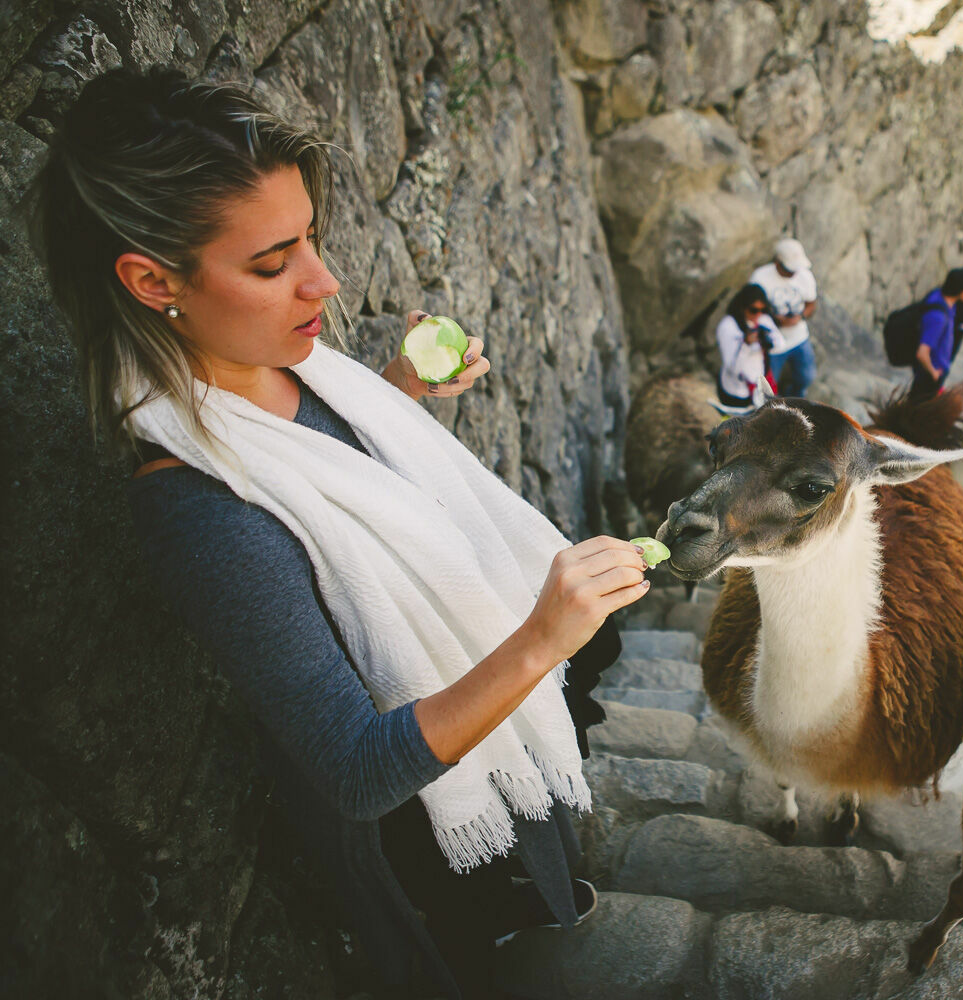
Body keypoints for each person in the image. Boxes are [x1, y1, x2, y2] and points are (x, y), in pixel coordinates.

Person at [29, 68, 652, 999]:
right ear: (154, 279)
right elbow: (359, 771)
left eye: (310, 236)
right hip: (428, 825)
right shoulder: (197, 506)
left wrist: (395, 393)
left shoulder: (283, 367)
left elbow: (331, 498)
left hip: (476, 723)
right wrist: (539, 641)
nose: (323, 280)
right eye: (272, 264)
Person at [750, 238, 818, 397]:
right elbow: (751, 307)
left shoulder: (805, 276)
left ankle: (795, 397)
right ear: (777, 263)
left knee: (806, 377)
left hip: (799, 336)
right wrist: (775, 319)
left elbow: (811, 304)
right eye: (789, 269)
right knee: (768, 386)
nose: (793, 273)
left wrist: (799, 317)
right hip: (772, 343)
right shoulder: (760, 278)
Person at [910, 267, 963, 400]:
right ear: (961, 289)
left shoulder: (938, 297)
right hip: (929, 375)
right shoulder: (939, 318)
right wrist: (934, 373)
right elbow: (922, 353)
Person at [714, 283, 778, 408]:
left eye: (762, 310)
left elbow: (780, 344)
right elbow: (733, 369)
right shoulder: (728, 327)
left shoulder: (762, 320)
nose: (758, 315)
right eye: (753, 310)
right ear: (742, 307)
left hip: (757, 389)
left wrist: (766, 338)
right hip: (736, 391)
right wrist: (746, 345)